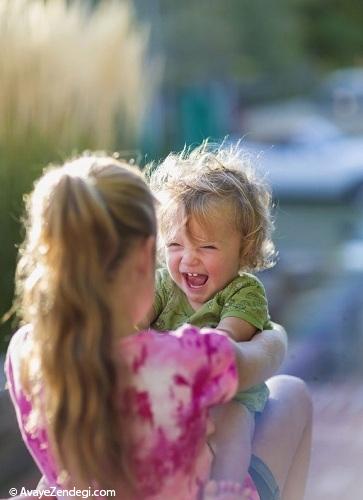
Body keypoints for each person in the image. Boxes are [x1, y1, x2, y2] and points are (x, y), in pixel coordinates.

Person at [4, 154, 312, 500]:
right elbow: (261, 358)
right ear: (146, 256)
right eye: (173, 246)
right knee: (292, 392)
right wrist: (274, 335)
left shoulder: (26, 351)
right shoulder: (185, 359)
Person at [144, 143, 277, 487]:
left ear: (244, 249)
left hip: (226, 394)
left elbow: (227, 339)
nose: (188, 260)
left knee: (233, 424)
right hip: (169, 393)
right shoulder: (162, 284)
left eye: (206, 247)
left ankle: (226, 488)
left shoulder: (244, 291)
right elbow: (133, 323)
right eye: (175, 245)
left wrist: (178, 348)